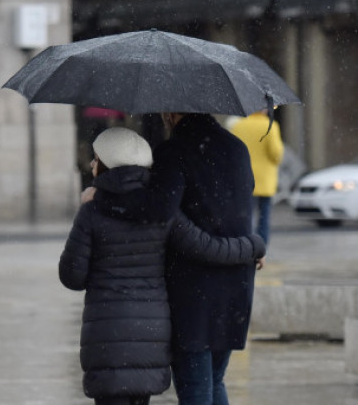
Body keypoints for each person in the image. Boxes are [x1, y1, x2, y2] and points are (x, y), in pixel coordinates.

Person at [62, 128, 265, 405]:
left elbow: (72, 276)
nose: (91, 165)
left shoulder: (92, 211)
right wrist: (253, 245)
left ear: (107, 164)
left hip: (106, 338)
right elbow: (208, 248)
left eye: (95, 159)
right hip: (151, 335)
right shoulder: (163, 213)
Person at [230, 110, 284, 243]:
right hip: (264, 181)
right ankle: (261, 248)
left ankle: (245, 244)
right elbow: (276, 155)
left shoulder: (239, 125)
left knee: (245, 217)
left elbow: (232, 152)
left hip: (244, 179)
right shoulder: (271, 126)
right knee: (264, 217)